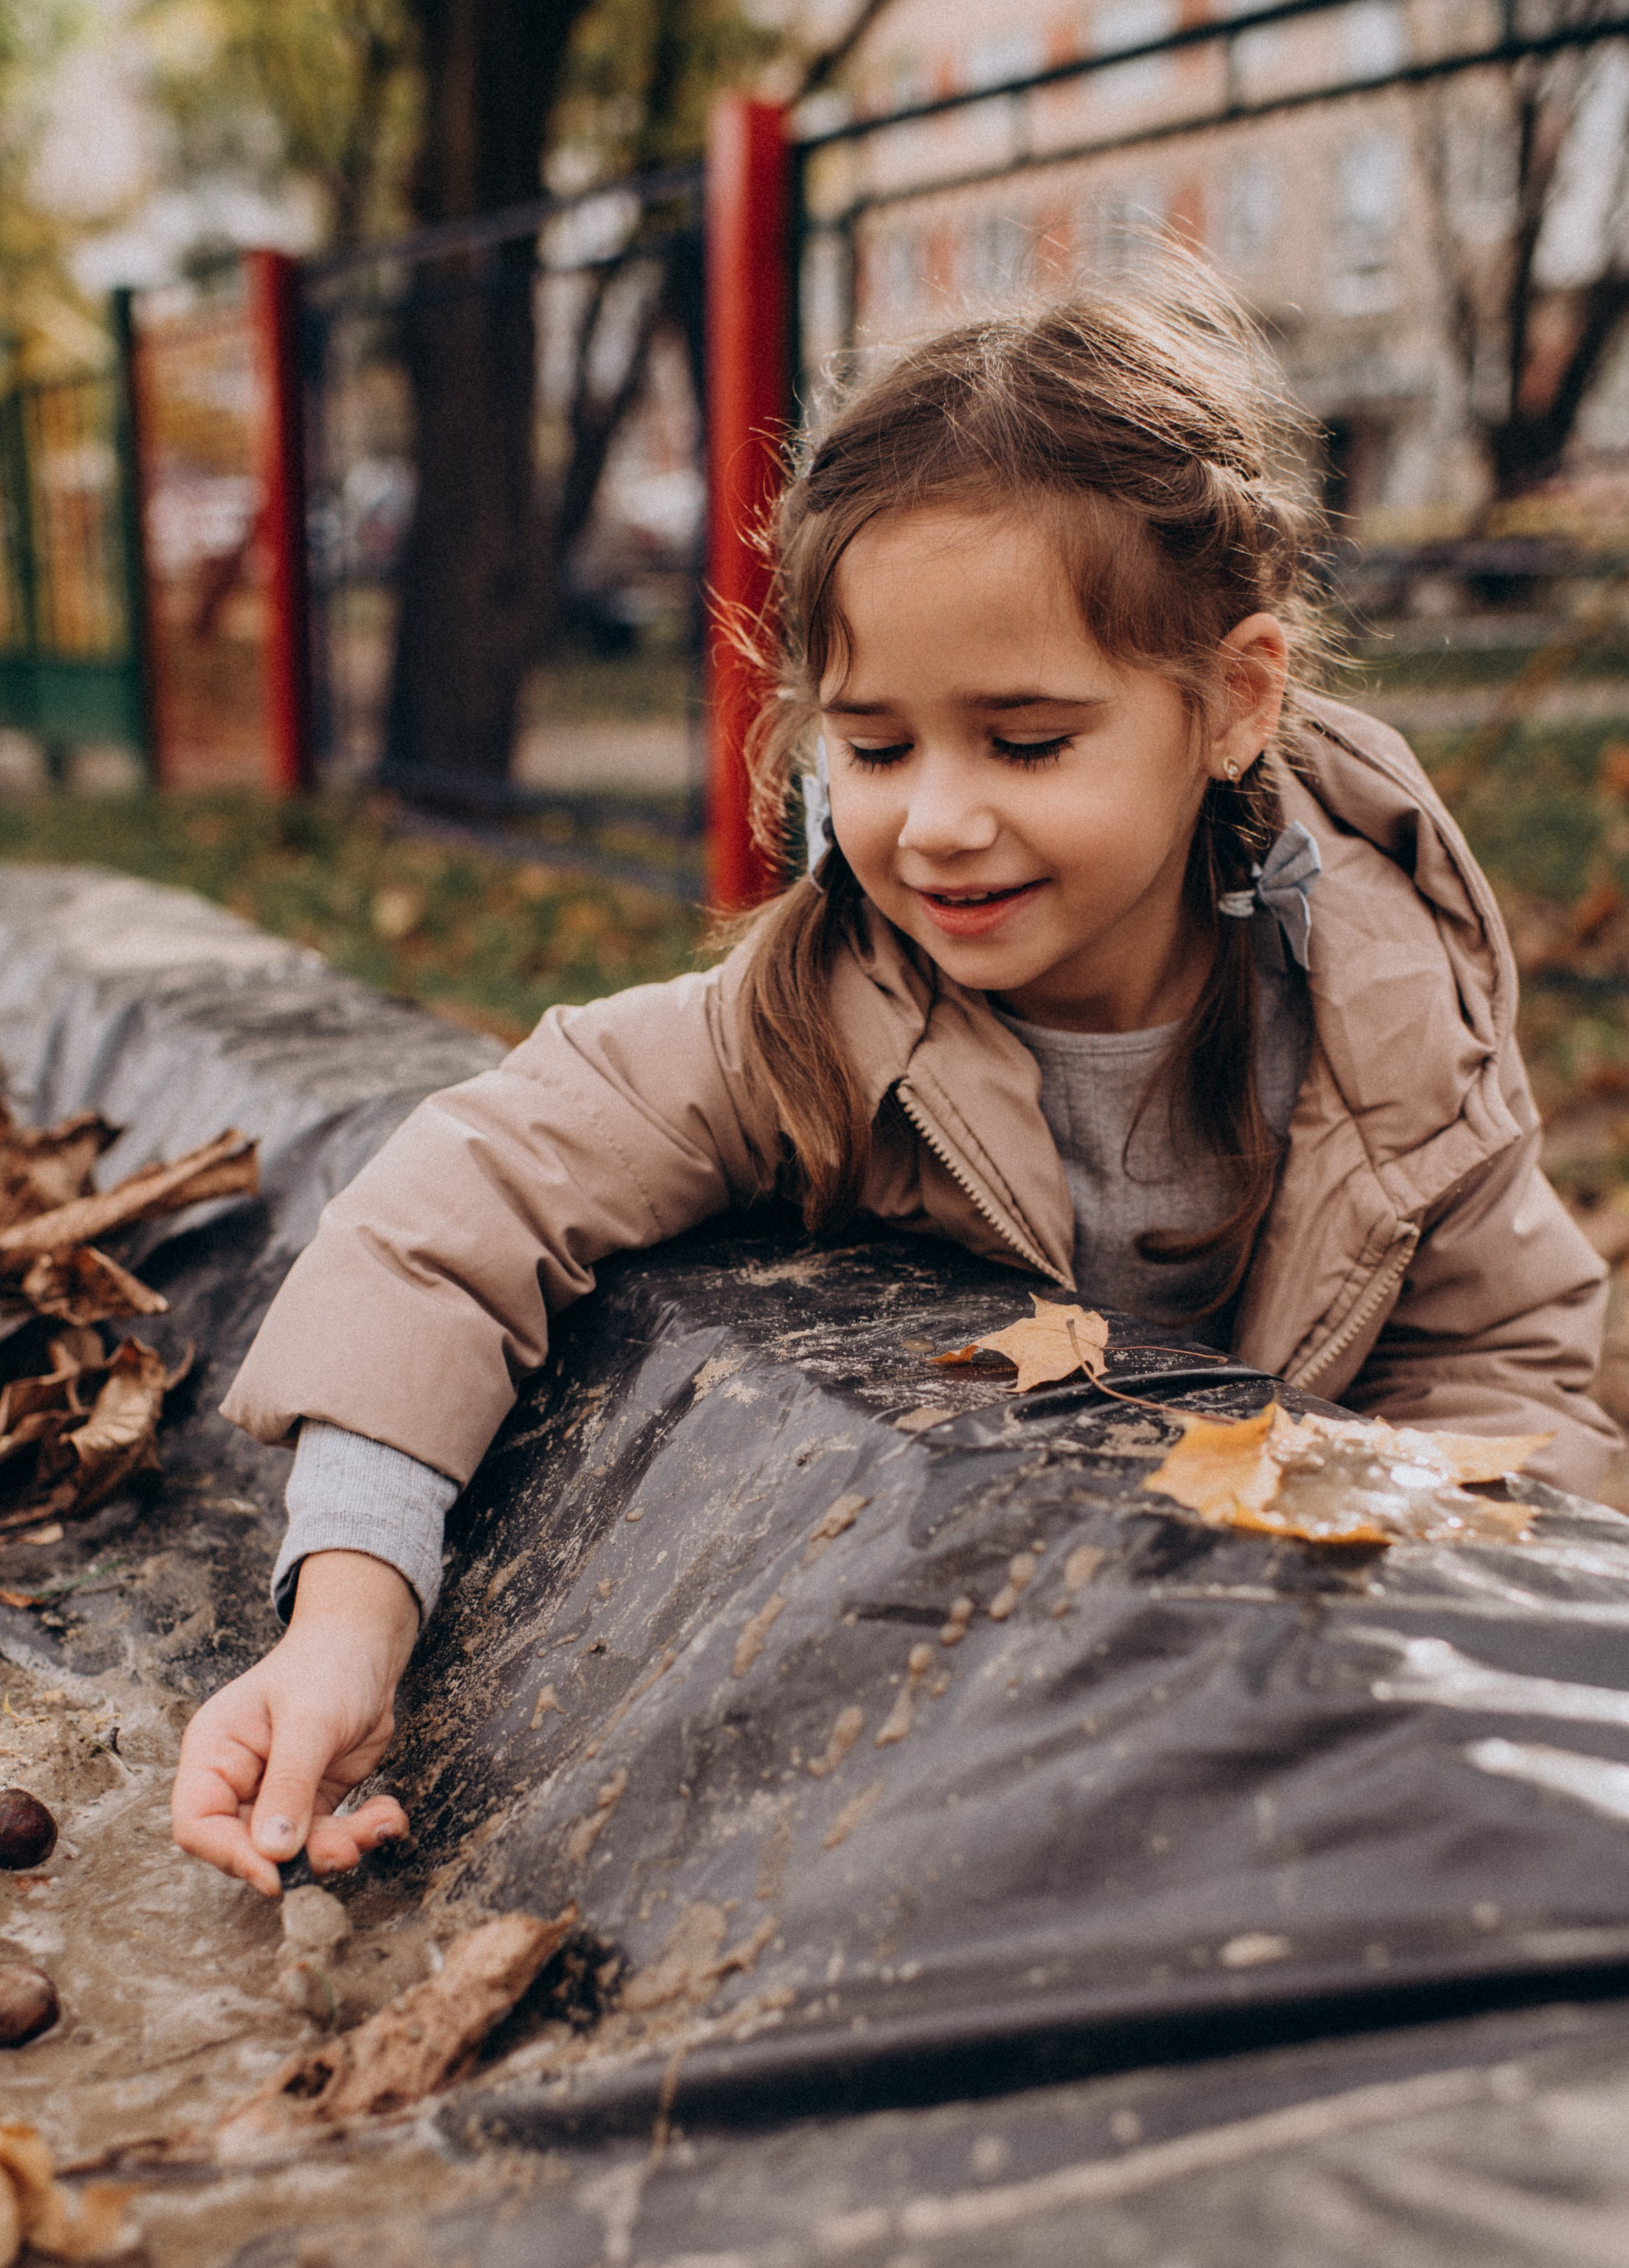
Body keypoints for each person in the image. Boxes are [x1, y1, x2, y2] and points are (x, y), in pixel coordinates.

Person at [171, 264, 1618, 1896]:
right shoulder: (805, 1022)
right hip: (962, 1735)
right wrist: (349, 1620)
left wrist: (1376, 1622)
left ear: (1231, 702)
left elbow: (1507, 1366)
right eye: (874, 748)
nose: (934, 820)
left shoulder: (1388, 1021)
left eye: (1022, 742)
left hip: (1300, 1725)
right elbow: (454, 1206)